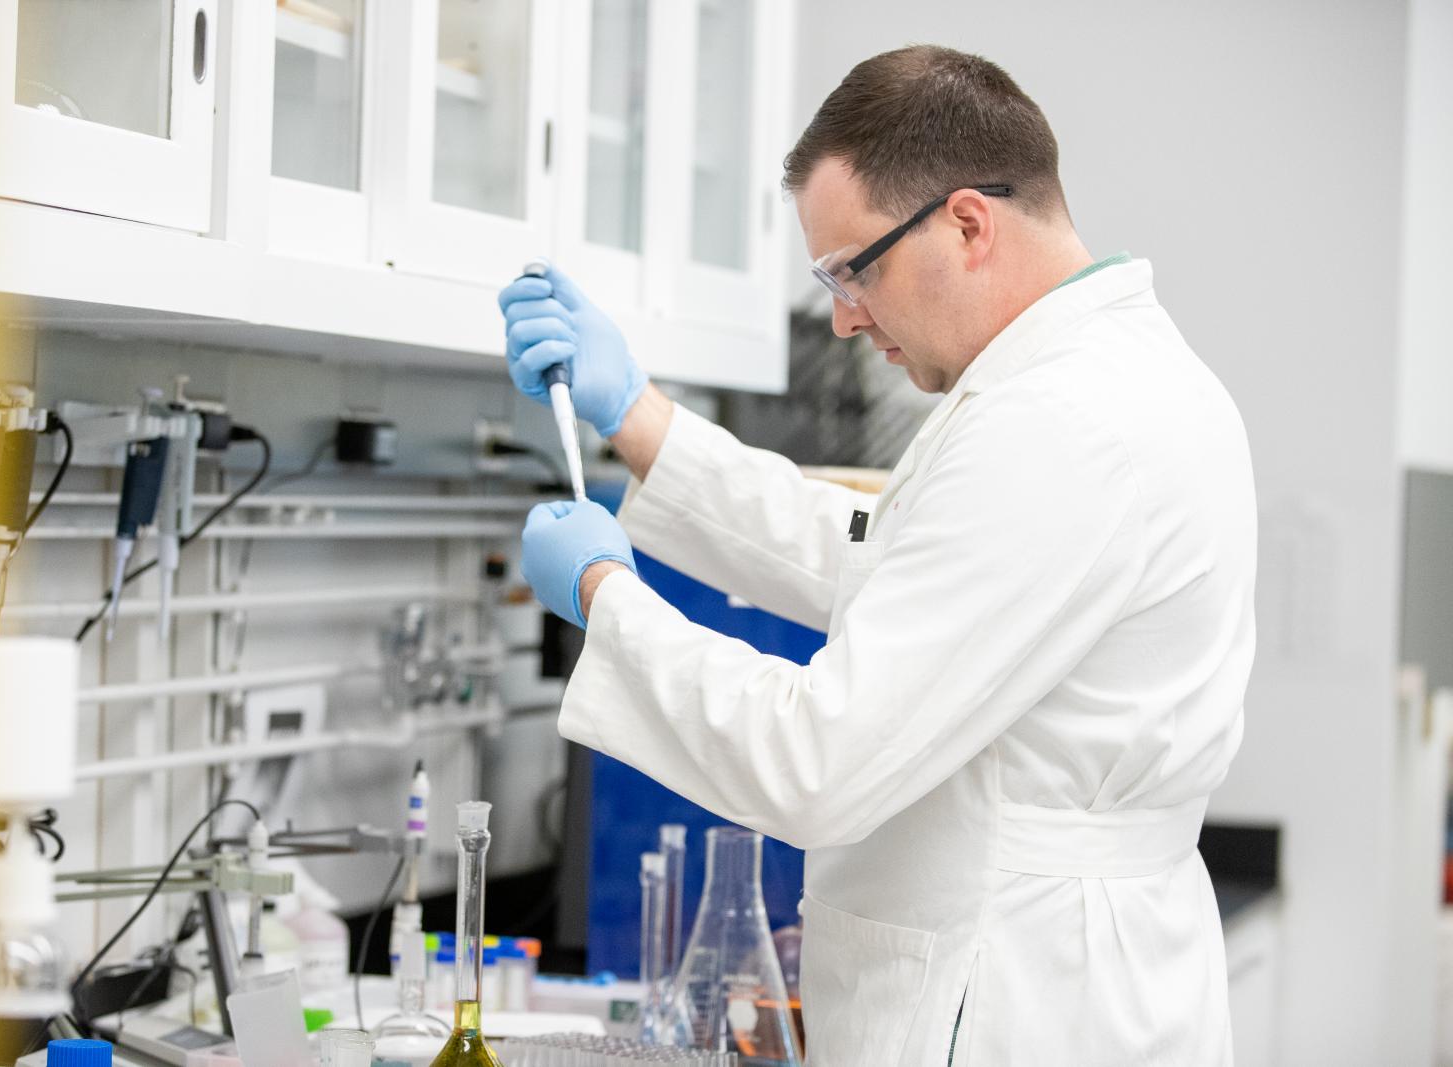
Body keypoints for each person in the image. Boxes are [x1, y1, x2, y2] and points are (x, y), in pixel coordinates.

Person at [499, 44, 1255, 1066]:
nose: (846, 316)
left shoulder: (1062, 422)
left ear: (968, 223)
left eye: (856, 269)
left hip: (1010, 996)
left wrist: (605, 596)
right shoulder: (1102, 380)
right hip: (1062, 972)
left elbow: (820, 761)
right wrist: (638, 418)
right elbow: (887, 565)